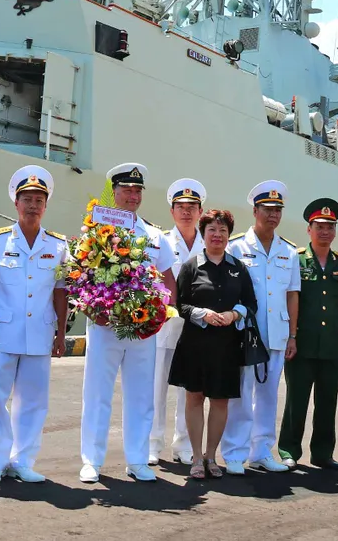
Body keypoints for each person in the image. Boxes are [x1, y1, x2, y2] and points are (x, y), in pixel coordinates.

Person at [79, 163, 177, 484]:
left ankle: (137, 460)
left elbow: (168, 280)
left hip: (141, 329)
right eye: (127, 190)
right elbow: (81, 272)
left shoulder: (153, 235)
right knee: (97, 394)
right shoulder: (97, 227)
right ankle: (92, 461)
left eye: (138, 191)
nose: (133, 196)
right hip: (106, 325)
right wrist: (93, 308)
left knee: (140, 395)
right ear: (115, 192)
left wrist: (159, 314)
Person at [0, 165, 68, 485]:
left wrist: (61, 334)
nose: (32, 205)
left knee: (34, 401)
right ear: (16, 202)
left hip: (40, 333)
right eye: (26, 198)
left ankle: (23, 460)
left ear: (46, 205)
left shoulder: (58, 245)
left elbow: (61, 291)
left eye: (39, 199)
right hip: (2, 333)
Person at [169, 209, 257, 479]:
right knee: (194, 397)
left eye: (222, 231)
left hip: (227, 344)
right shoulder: (191, 266)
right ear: (203, 234)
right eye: (211, 231)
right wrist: (201, 314)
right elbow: (180, 304)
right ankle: (196, 457)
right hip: (196, 343)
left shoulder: (238, 268)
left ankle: (211, 455)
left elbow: (251, 304)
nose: (217, 235)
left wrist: (234, 314)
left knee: (220, 401)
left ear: (229, 235)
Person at [223, 180, 299, 475]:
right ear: (255, 210)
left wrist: (293, 334)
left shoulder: (288, 252)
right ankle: (233, 453)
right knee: (240, 394)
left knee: (268, 395)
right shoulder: (237, 247)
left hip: (277, 333)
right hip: (244, 333)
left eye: (277, 210)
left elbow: (292, 295)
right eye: (267, 209)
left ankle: (262, 452)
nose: (273, 215)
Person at [278, 198, 338, 470]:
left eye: (330, 227)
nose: (325, 231)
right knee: (296, 401)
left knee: (327, 402)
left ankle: (322, 453)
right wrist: (291, 336)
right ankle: (289, 451)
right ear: (309, 229)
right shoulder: (295, 260)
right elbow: (290, 298)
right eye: (319, 226)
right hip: (303, 343)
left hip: (332, 343)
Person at [150, 179, 206, 466]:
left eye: (192, 207)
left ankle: (183, 444)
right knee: (156, 388)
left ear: (200, 212)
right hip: (164, 327)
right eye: (181, 207)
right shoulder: (159, 242)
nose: (186, 212)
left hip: (196, 330)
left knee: (190, 390)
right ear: (172, 212)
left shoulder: (208, 244)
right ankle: (153, 443)